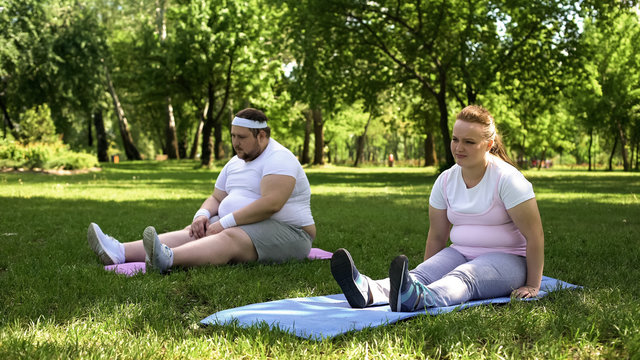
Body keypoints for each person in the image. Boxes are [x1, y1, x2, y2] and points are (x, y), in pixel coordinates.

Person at [331, 105, 544, 312]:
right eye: (455, 140)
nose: (459, 148)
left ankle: (424, 298)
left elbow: (535, 235)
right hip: (460, 252)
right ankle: (368, 291)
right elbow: (437, 235)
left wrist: (533, 284)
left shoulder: (508, 180)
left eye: (469, 142)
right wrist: (426, 275)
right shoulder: (445, 180)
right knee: (419, 275)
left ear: (488, 145)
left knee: (464, 277)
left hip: (508, 259)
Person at [88, 108, 316, 273]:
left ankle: (167, 259)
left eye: (242, 138)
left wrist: (224, 223)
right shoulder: (237, 161)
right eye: (233, 136)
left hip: (292, 234)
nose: (236, 143)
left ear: (262, 136)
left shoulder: (279, 158)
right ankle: (119, 251)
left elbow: (271, 204)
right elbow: (217, 197)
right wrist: (202, 215)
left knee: (229, 235)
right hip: (244, 226)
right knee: (196, 230)